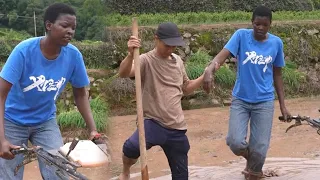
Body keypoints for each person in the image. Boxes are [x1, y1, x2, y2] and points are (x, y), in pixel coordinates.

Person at [0, 3, 100, 180]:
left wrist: (93, 130)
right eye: (64, 25)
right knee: (9, 174)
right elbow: (0, 96)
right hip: (12, 120)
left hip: (45, 122)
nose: (70, 31)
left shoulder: (73, 56)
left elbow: (80, 95)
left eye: (73, 28)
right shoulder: (23, 52)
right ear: (49, 25)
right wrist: (1, 140)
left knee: (58, 171)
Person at [118, 22, 219, 180]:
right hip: (153, 122)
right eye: (167, 45)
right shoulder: (145, 60)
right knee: (131, 147)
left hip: (176, 126)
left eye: (174, 46)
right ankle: (125, 171)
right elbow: (124, 73)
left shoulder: (178, 60)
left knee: (181, 176)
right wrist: (130, 54)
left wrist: (205, 75)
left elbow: (185, 88)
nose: (170, 49)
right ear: (156, 39)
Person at [203, 5, 291, 180]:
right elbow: (222, 55)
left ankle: (253, 172)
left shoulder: (276, 43)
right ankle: (253, 161)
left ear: (270, 25)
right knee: (235, 142)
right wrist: (209, 70)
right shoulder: (241, 36)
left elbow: (277, 74)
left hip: (264, 101)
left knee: (260, 150)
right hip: (241, 100)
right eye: (257, 24)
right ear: (252, 22)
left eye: (264, 25)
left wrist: (283, 105)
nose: (260, 28)